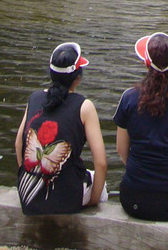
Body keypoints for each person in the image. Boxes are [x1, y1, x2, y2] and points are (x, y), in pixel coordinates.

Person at [113, 31, 168, 220]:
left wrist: (139, 172)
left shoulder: (128, 98)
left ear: (145, 63)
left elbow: (121, 150)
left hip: (133, 200)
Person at [15, 41, 107, 214]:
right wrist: (93, 199)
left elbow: (19, 145)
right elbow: (101, 163)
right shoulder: (84, 106)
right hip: (66, 198)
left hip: (28, 197)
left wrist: (27, 177)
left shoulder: (34, 99)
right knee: (100, 185)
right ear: (78, 78)